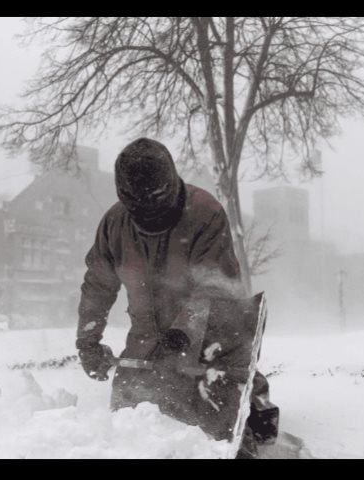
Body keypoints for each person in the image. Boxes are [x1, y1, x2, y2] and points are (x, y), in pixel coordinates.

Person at [75, 137, 277, 458]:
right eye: (139, 208)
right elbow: (98, 285)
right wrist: (88, 341)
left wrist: (185, 331)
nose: (148, 215)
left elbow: (216, 285)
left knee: (216, 430)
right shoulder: (115, 224)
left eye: (155, 204)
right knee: (128, 418)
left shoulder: (204, 213)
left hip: (214, 335)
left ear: (169, 187)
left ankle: (252, 397)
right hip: (147, 339)